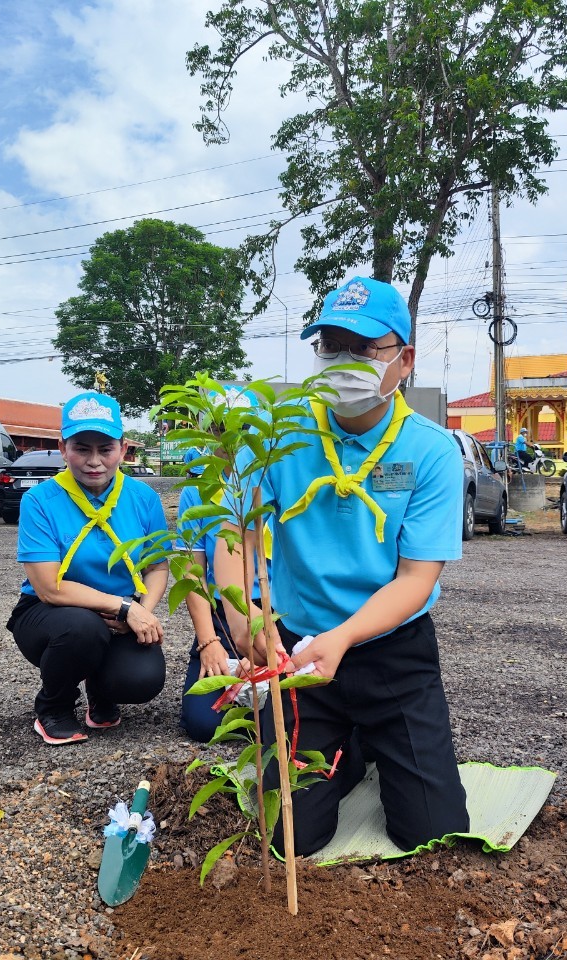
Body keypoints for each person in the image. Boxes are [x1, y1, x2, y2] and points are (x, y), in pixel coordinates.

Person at [214, 276, 469, 856]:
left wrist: (347, 636)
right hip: (299, 650)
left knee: (432, 830)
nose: (342, 363)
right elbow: (236, 533)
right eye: (330, 346)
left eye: (362, 349)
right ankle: (347, 748)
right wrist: (242, 617)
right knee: (289, 835)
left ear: (403, 360)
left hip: (391, 651)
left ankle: (378, 741)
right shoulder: (279, 435)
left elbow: (416, 578)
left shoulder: (430, 451)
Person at [7, 391, 168, 745]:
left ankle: (102, 692)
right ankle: (54, 706)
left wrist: (141, 611)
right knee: (83, 628)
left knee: (141, 679)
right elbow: (48, 587)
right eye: (82, 448)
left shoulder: (143, 498)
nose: (94, 461)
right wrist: (122, 607)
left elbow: (157, 566)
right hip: (52, 614)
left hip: (124, 610)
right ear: (63, 447)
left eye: (105, 449)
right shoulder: (40, 500)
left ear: (123, 449)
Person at [177, 387, 273, 742]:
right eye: (220, 428)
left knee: (292, 718)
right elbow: (192, 573)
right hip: (224, 615)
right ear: (207, 432)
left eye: (244, 428)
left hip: (277, 612)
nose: (232, 439)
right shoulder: (197, 494)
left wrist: (264, 648)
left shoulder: (273, 483)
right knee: (204, 723)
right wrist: (209, 642)